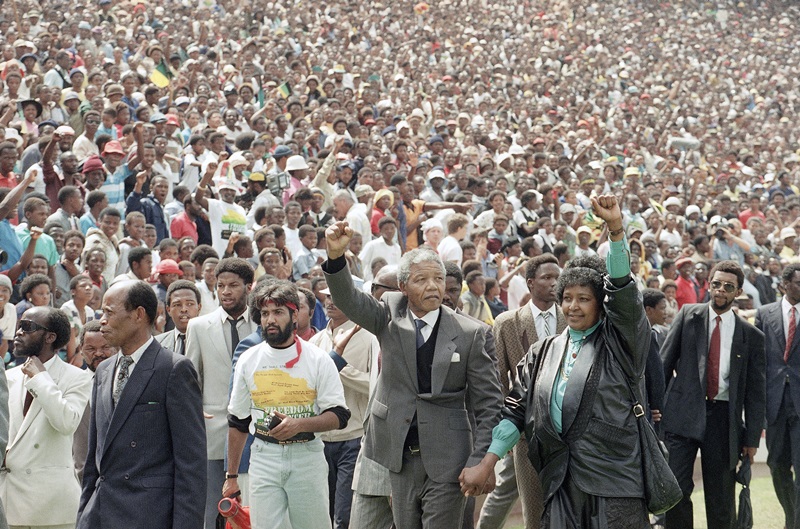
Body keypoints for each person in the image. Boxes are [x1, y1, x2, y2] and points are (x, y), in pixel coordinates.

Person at [465, 195, 651, 528]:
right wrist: (488, 461)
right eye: (567, 298)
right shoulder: (543, 352)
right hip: (560, 479)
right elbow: (515, 410)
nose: (573, 306)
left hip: (615, 482)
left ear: (601, 304)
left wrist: (615, 229)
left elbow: (623, 292)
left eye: (584, 299)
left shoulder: (620, 344)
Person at [323, 221, 502, 529]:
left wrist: (480, 459)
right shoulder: (388, 314)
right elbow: (348, 299)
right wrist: (336, 258)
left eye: (438, 279)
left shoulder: (471, 333)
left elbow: (489, 404)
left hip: (449, 458)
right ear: (403, 287)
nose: (433, 286)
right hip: (399, 456)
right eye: (421, 279)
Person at [76, 281, 206, 529]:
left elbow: (191, 464)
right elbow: (95, 457)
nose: (102, 321)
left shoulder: (173, 369)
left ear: (138, 314)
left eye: (109, 312)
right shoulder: (104, 370)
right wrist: (84, 516)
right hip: (101, 514)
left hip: (149, 514)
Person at [225, 281, 350, 528]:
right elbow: (237, 421)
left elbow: (339, 415)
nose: (270, 320)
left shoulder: (318, 359)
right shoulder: (249, 359)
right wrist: (231, 476)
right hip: (264, 456)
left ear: (294, 316)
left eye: (278, 312)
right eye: (265, 313)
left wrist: (299, 425)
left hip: (307, 456)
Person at [660, 260, 766, 529]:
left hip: (723, 420)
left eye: (728, 286)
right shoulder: (688, 315)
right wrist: (655, 412)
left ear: (738, 292)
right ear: (708, 285)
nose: (720, 290)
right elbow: (663, 366)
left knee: (721, 499)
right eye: (716, 284)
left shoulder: (751, 335)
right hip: (682, 416)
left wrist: (752, 439)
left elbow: (756, 393)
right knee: (676, 491)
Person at [477, 254, 564, 529]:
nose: (554, 283)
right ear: (530, 283)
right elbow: (498, 382)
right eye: (546, 277)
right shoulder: (507, 323)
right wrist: (507, 432)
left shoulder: (573, 318)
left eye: (557, 277)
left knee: (571, 511)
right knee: (534, 512)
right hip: (526, 433)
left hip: (569, 433)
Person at [1, 307, 92, 529]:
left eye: (28, 327)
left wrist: (41, 378)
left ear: (50, 337)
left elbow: (66, 423)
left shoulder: (77, 378)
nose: (19, 332)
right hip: (10, 500)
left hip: (52, 508)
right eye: (19, 325)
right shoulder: (9, 376)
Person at [185, 258, 256, 529]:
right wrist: (194, 410)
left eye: (233, 285)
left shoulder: (262, 326)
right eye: (220, 285)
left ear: (248, 287)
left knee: (252, 511)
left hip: (256, 432)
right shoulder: (198, 327)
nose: (225, 291)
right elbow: (191, 379)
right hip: (213, 433)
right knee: (213, 511)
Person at [310, 287, 372, 529]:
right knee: (322, 513)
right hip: (320, 440)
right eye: (327, 296)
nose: (330, 301)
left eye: (337, 295)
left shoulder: (370, 338)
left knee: (344, 516)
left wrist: (338, 366)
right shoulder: (316, 340)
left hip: (353, 438)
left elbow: (375, 386)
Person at [755, 263, 800, 529]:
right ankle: (792, 517)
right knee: (777, 464)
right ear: (784, 285)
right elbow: (758, 360)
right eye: (799, 283)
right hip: (774, 402)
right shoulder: (764, 314)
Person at [72, 319, 118, 482]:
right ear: (81, 350)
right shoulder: (72, 385)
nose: (98, 353)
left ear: (116, 347)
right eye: (91, 349)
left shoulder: (126, 382)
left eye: (105, 347)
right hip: (81, 480)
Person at [156, 280, 201, 356]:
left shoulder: (211, 341)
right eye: (177, 305)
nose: (184, 309)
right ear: (168, 310)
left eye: (190, 304)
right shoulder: (157, 344)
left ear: (199, 308)